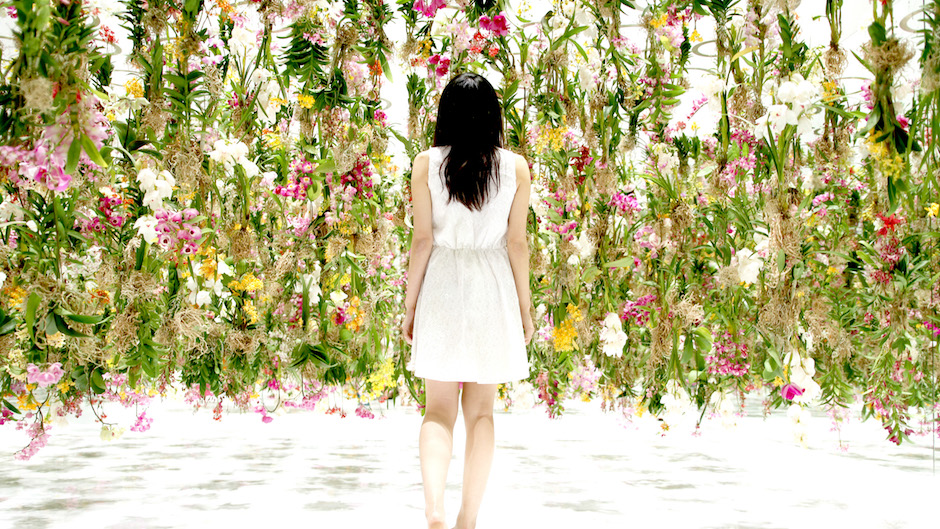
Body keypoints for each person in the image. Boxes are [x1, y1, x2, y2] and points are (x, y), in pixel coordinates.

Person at [401, 72, 536, 529]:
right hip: (493, 287)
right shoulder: (515, 167)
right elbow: (517, 244)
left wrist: (410, 305)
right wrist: (525, 309)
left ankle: (434, 510)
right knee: (481, 411)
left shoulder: (425, 164)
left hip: (441, 283)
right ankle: (467, 520)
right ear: (494, 115)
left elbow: (422, 241)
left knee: (436, 409)